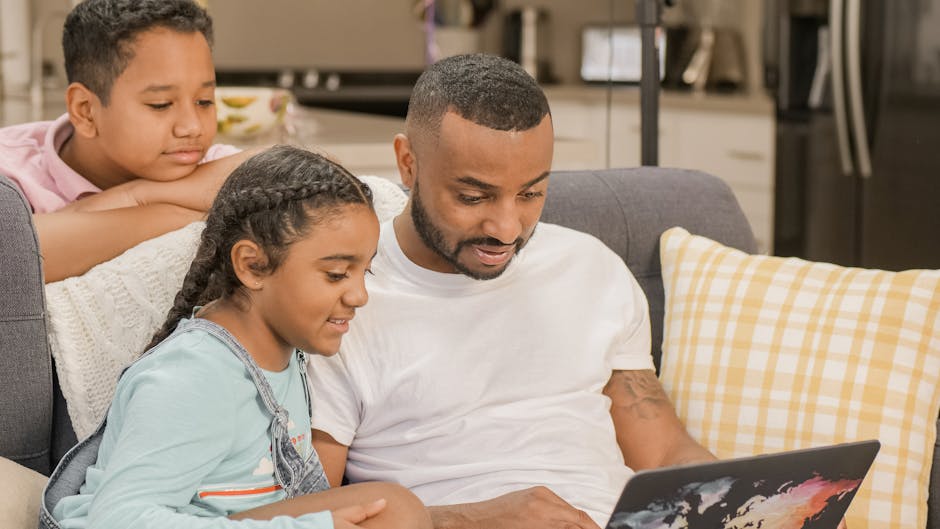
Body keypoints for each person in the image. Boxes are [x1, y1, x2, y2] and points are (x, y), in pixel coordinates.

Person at [306, 53, 716, 529]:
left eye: (531, 194)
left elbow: (664, 450)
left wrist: (754, 499)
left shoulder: (591, 267)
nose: (505, 229)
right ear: (408, 163)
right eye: (473, 197)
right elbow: (309, 514)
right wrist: (471, 519)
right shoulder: (342, 301)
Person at [40, 145, 433, 529]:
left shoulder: (283, 354)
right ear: (252, 265)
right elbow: (118, 519)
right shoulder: (193, 376)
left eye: (366, 272)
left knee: (392, 509)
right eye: (335, 274)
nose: (359, 296)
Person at [0, 0, 257, 283]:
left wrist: (135, 195)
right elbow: (12, 258)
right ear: (85, 111)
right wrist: (156, 210)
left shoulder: (202, 162)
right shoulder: (10, 172)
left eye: (204, 101)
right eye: (161, 104)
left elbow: (291, 170)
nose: (192, 127)